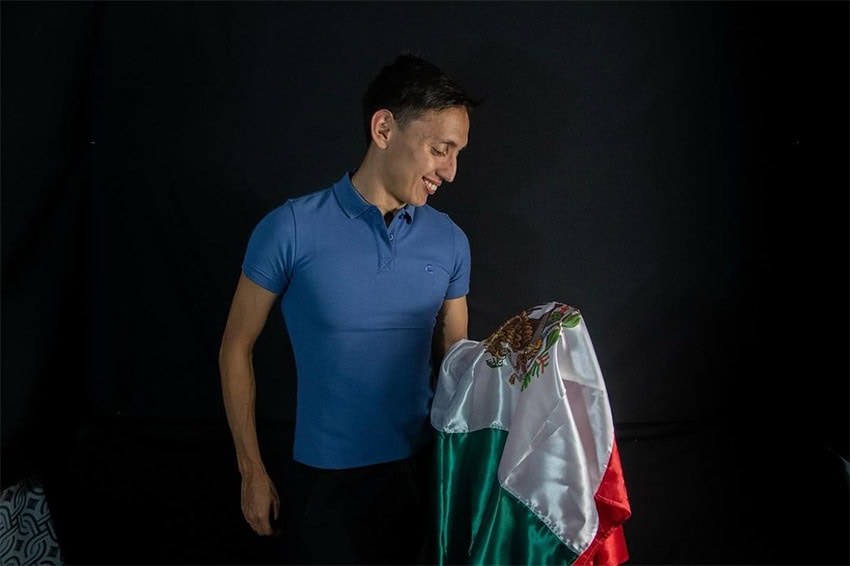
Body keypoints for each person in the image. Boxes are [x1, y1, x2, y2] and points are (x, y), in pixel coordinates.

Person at [218, 51, 481, 564]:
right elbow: (235, 346)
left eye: (457, 154)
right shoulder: (289, 228)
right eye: (440, 149)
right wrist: (251, 468)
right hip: (325, 485)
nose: (449, 172)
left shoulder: (450, 241)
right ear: (384, 129)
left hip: (421, 478)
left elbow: (459, 366)